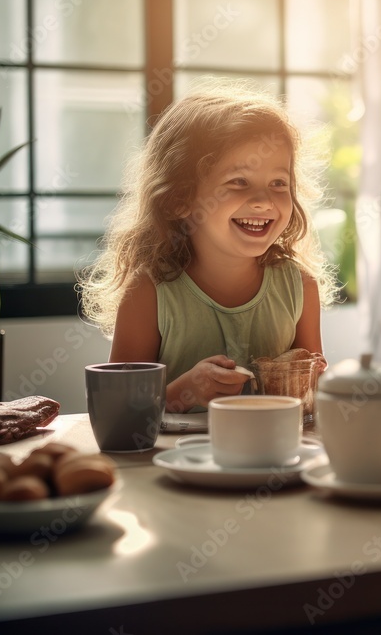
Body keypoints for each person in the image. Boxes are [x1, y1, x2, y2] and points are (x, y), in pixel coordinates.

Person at [80, 81, 336, 413]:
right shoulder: (148, 292)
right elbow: (115, 412)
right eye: (239, 181)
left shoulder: (300, 286)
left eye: (278, 183)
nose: (263, 201)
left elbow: (313, 398)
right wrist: (180, 392)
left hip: (272, 460)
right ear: (179, 198)